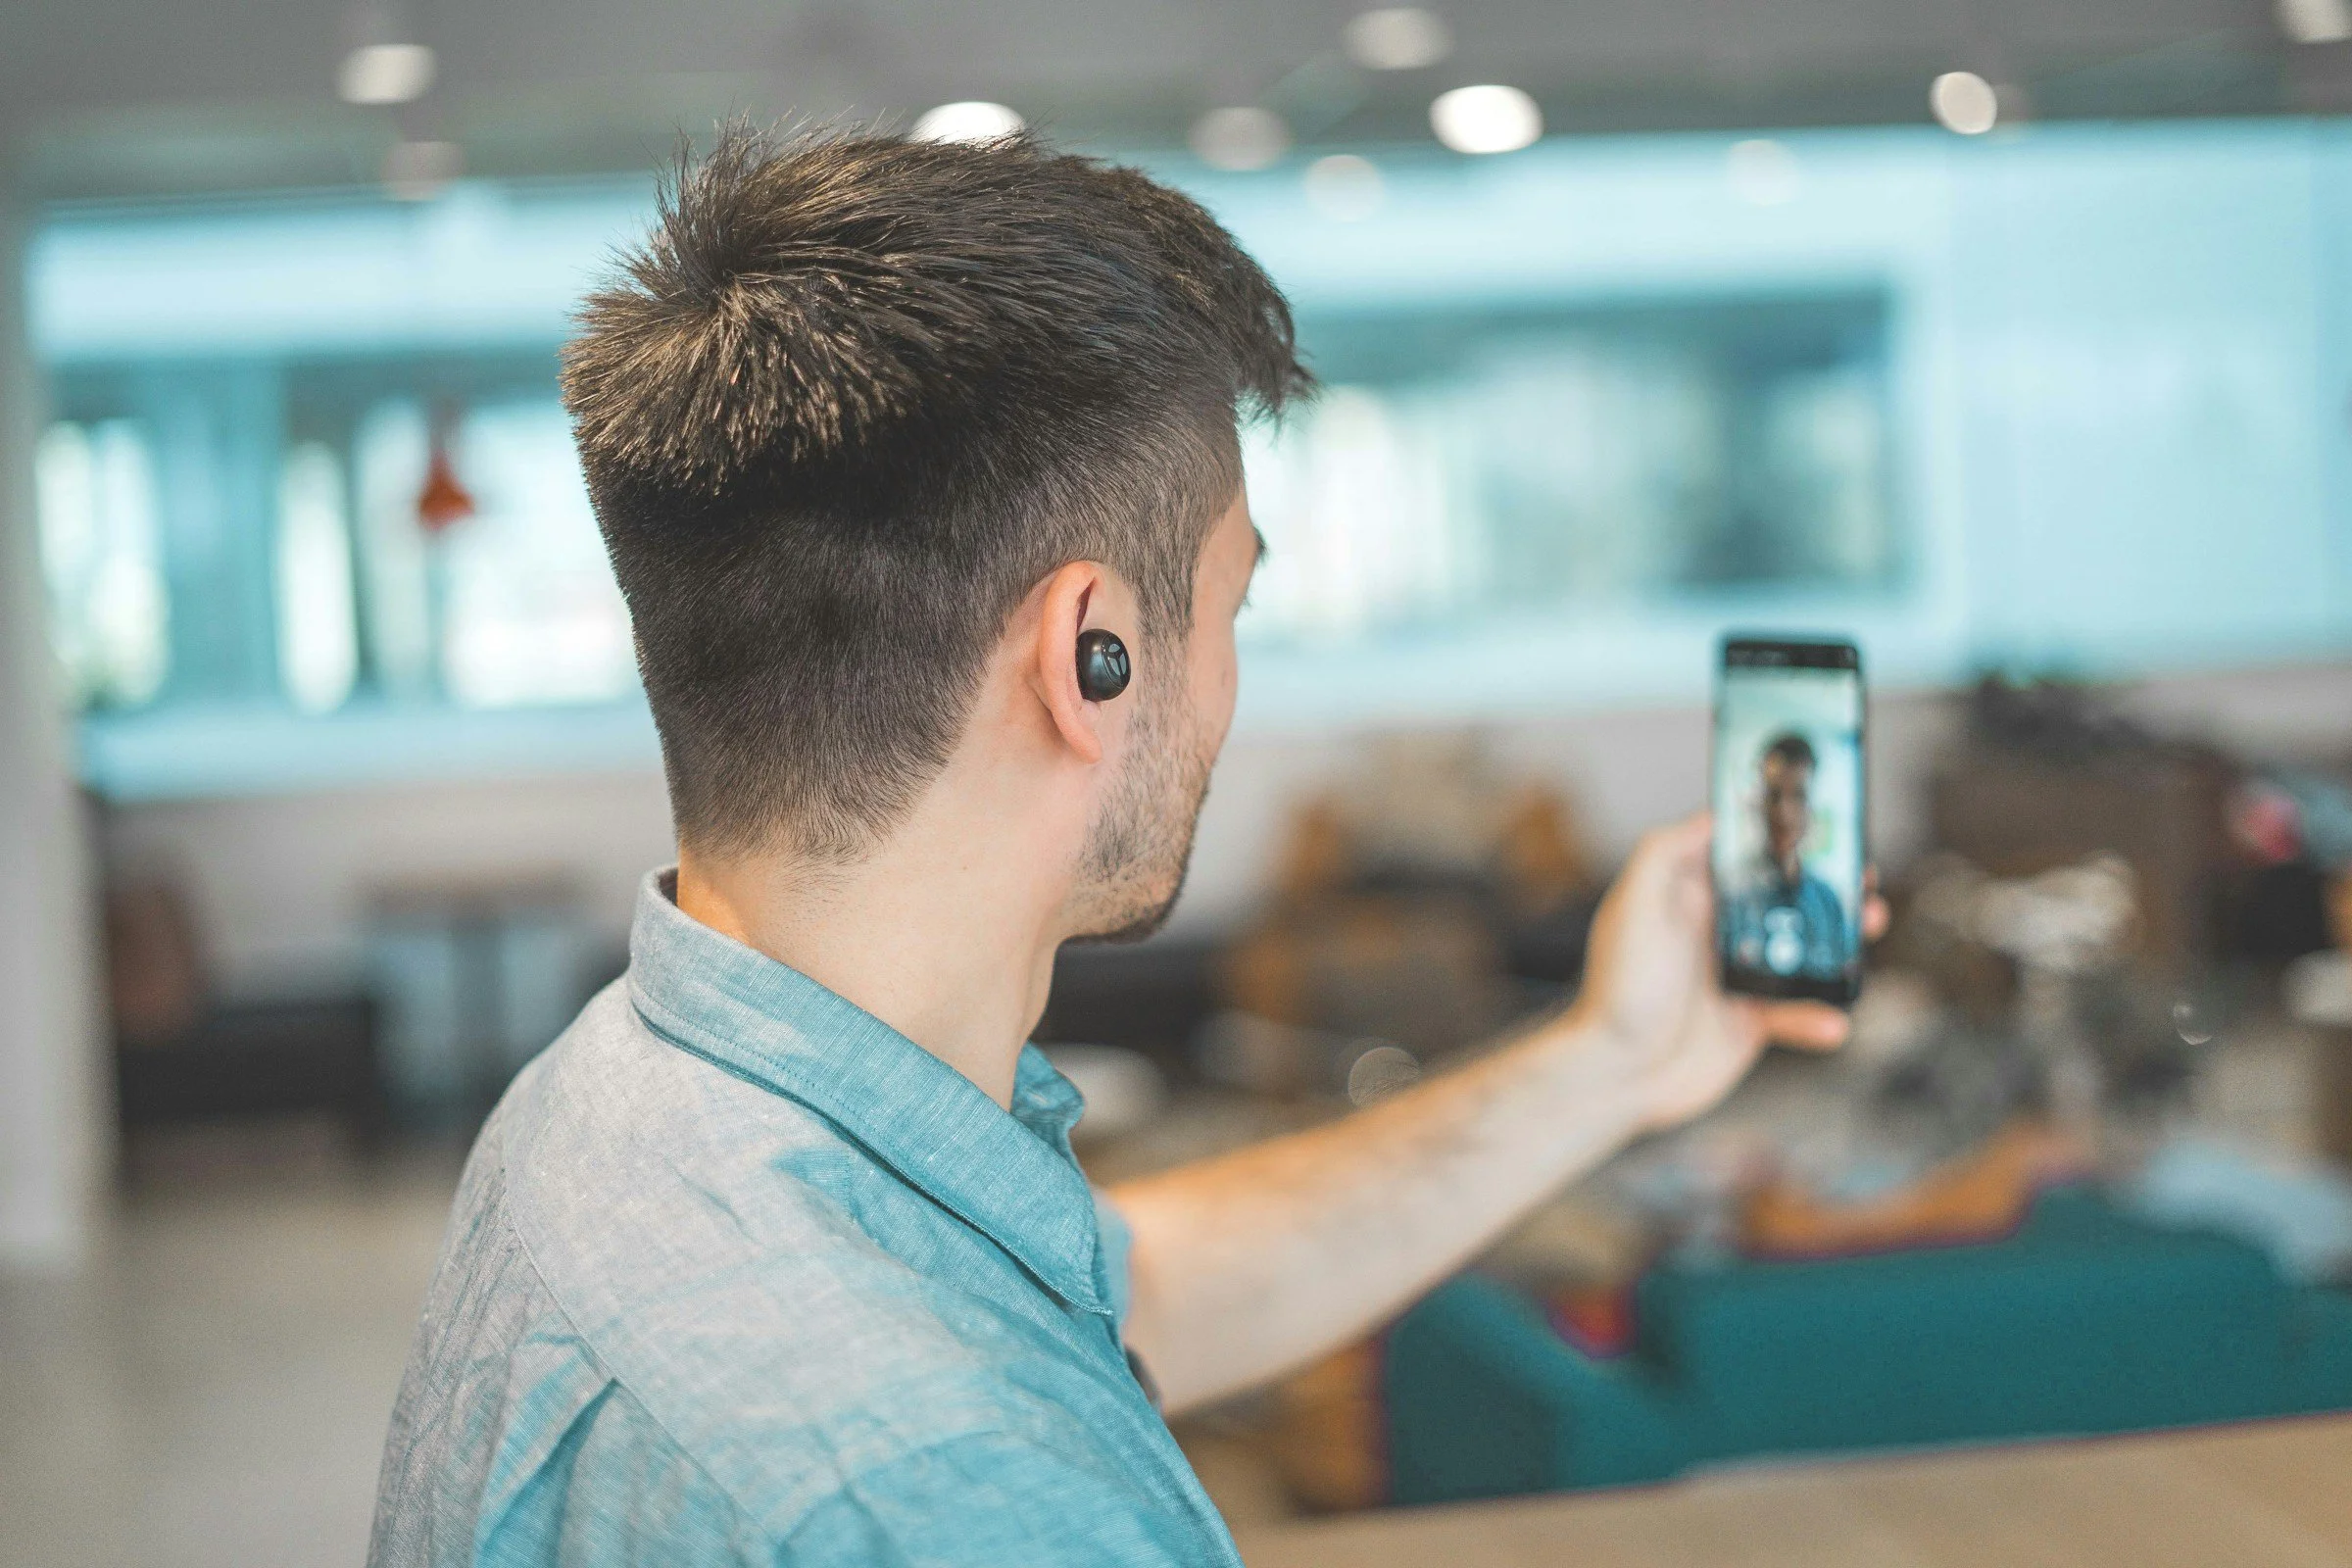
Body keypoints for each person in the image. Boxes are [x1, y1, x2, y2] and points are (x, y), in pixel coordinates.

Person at [368, 125, 1874, 1568]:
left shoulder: (623, 1105)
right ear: (1092, 653)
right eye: (1230, 605)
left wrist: (1617, 1056)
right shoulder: (970, 1500)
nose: (1228, 679)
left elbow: (1112, 1295)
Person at [1722, 732, 1853, 980]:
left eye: (1799, 796)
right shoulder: (1730, 895)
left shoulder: (1828, 902)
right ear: (1759, 803)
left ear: (1812, 806)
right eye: (1774, 796)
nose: (1784, 813)